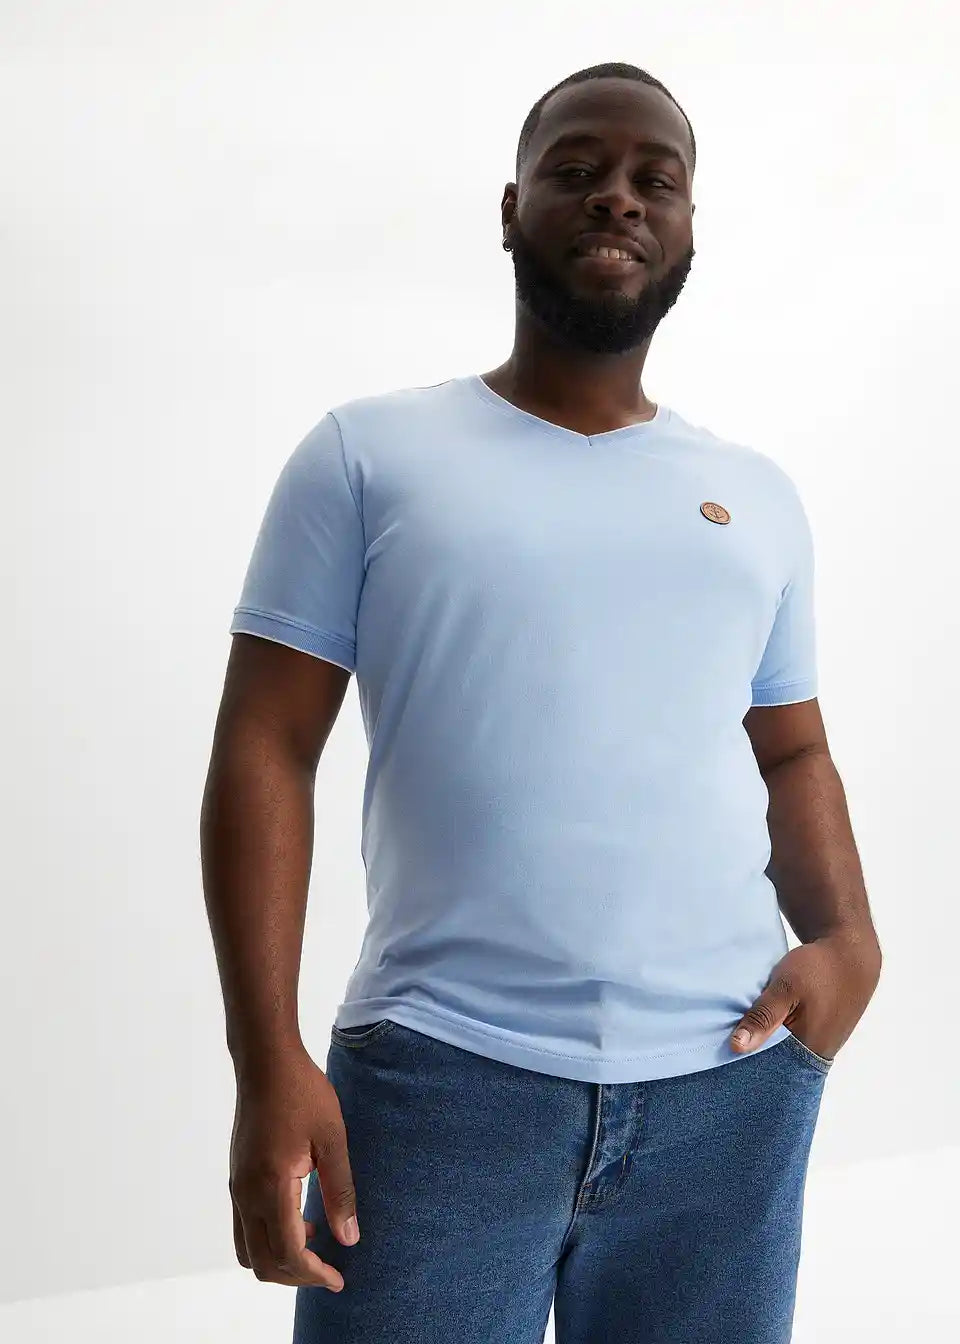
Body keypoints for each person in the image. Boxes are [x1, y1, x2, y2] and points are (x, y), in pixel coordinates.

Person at [201, 61, 883, 1343]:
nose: (617, 197)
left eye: (653, 180)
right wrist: (265, 1056)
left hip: (730, 1085)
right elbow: (267, 744)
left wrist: (850, 940)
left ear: (688, 231)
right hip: (441, 1085)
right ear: (512, 208)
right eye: (577, 170)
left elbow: (792, 749)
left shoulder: (755, 495)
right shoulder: (368, 455)